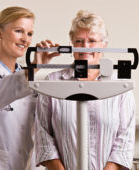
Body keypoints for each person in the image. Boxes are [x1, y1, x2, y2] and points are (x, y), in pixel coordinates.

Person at [34, 10, 136, 170]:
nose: (85, 47)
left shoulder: (119, 86)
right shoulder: (53, 82)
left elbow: (125, 140)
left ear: (104, 45)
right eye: (79, 41)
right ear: (72, 44)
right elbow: (42, 135)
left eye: (92, 41)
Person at [0, 6, 59, 170]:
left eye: (29, 33)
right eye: (19, 31)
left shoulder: (28, 78)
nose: (25, 39)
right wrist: (33, 69)